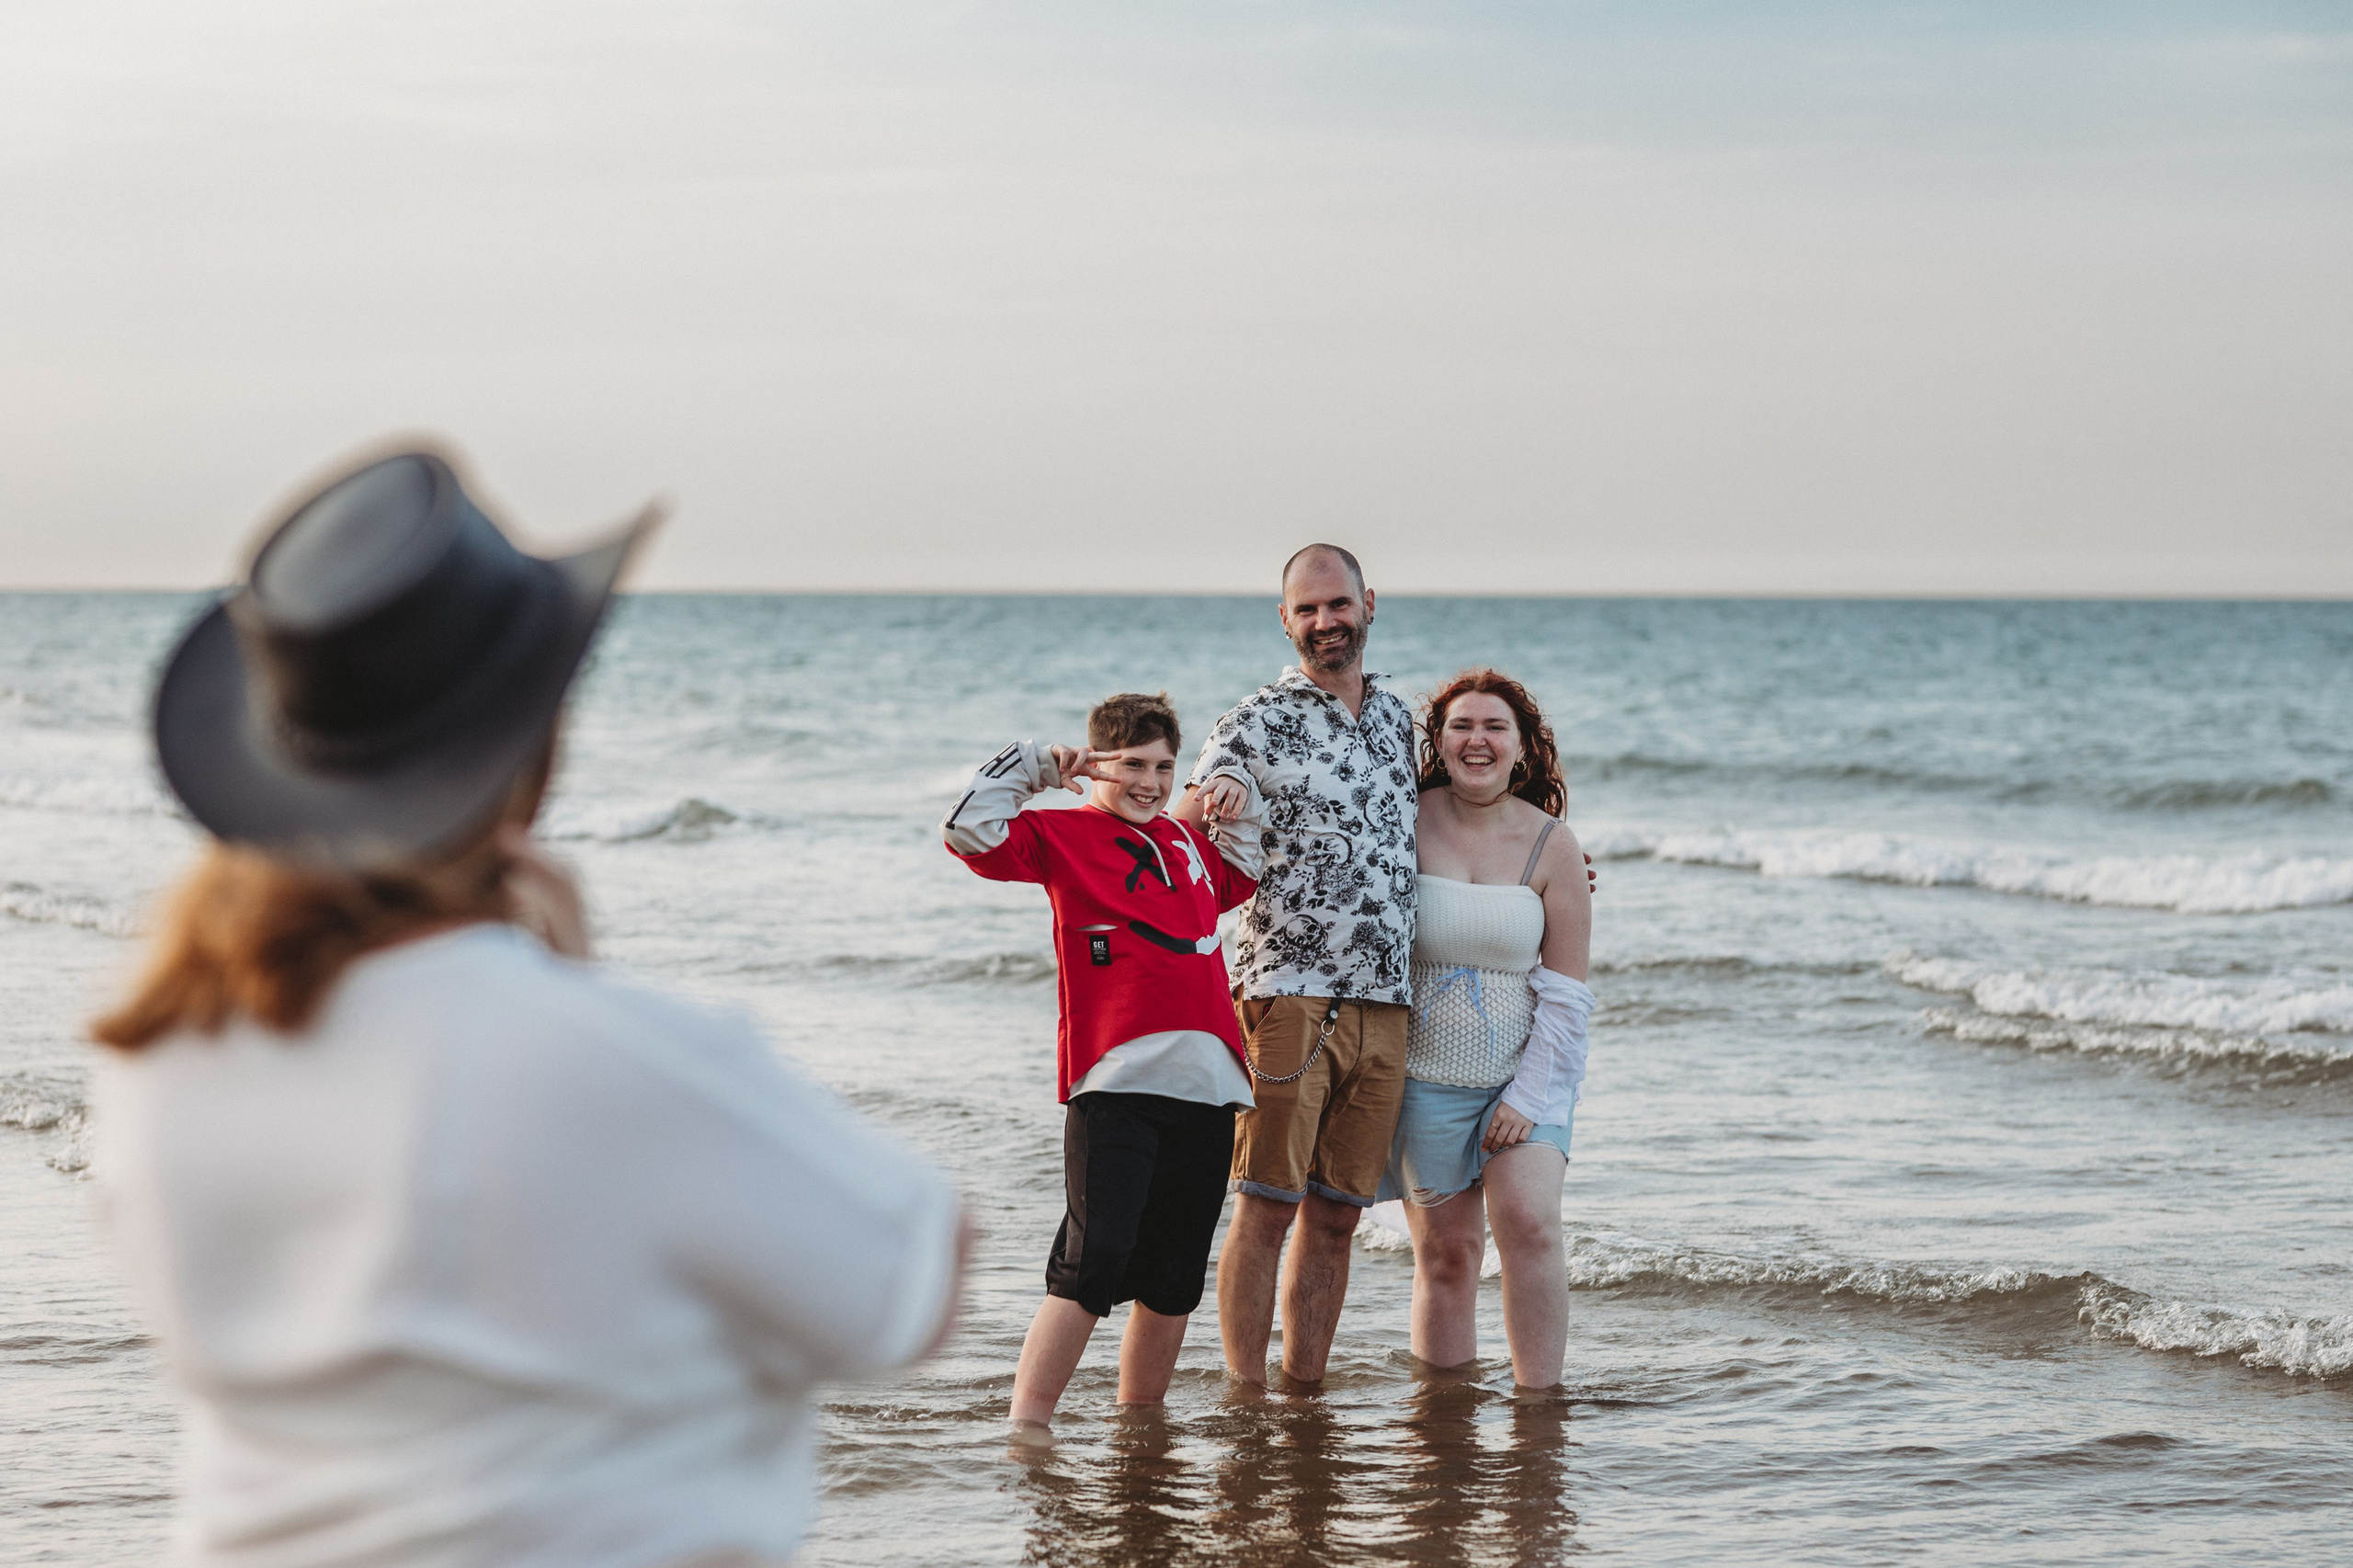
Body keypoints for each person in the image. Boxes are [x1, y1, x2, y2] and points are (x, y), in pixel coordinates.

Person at [89, 449, 969, 1568]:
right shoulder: (599, 1056)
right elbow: (910, 1286)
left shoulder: (156, 1064)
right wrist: (568, 991)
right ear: (533, 759)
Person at [942, 692, 1262, 1433]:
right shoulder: (1061, 835)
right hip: (1114, 1083)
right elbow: (966, 829)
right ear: (1095, 768)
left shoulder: (1188, 846)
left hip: (1210, 1087)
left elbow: (1242, 872)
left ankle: (1140, 1427)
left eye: (1163, 767)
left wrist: (1233, 799)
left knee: (1176, 1275)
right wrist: (1036, 765)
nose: (1150, 782)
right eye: (1131, 766)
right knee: (1094, 1262)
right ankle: (1028, 1430)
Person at [1178, 543, 1420, 1387]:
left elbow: (1448, 820)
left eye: (1337, 605)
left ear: (1369, 604)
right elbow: (1185, 823)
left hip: (1388, 1000)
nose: (1325, 622)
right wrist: (1215, 804)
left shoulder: (1398, 720)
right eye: (1307, 610)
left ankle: (1304, 1391)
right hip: (1288, 996)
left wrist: (1556, 862)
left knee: (1340, 1218)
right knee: (1267, 1204)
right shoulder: (1254, 721)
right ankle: (1248, 1396)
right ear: (1284, 620)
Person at [1382, 668, 1596, 1392]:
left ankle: (1540, 1412)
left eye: (1495, 727)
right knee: (1448, 1255)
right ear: (1438, 743)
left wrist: (1526, 1097)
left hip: (1526, 1078)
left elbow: (1568, 995)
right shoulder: (1399, 821)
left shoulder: (1554, 847)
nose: (1478, 740)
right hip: (1422, 1081)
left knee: (1529, 1224)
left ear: (1524, 747)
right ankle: (1444, 1425)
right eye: (1462, 727)